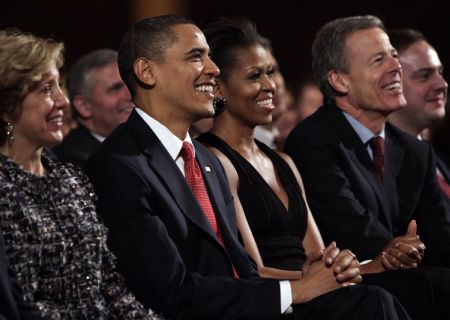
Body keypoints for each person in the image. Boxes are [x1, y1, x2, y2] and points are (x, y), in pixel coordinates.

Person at [86, 14, 410, 320]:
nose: (213, 69)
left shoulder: (204, 160)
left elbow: (244, 271)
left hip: (245, 306)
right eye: (196, 57)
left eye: (211, 57)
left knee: (380, 297)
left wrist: (330, 273)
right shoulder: (119, 166)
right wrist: (295, 290)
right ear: (147, 72)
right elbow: (171, 291)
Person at [284, 15, 450, 319]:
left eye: (394, 55)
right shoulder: (311, 142)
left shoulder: (415, 151)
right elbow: (350, 231)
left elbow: (441, 236)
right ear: (339, 81)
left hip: (413, 281)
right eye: (378, 60)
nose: (395, 66)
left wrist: (415, 249)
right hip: (354, 288)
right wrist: (397, 250)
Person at [0, 29, 161, 319]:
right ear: (6, 105)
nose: (63, 101)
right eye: (46, 89)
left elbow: (110, 285)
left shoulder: (71, 178)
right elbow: (21, 306)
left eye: (59, 86)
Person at [387, 29, 450, 197]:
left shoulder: (437, 160)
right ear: (389, 84)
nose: (442, 84)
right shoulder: (382, 169)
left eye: (440, 72)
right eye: (424, 76)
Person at [53, 49, 133, 169]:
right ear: (84, 106)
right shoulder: (74, 163)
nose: (131, 94)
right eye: (116, 88)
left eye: (130, 83)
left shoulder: (148, 143)